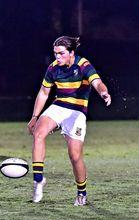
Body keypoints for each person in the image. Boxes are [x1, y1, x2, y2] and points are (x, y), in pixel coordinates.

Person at [27, 36, 111, 205]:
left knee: (74, 156)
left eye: (61, 53)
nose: (57, 57)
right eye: (55, 53)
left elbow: (97, 82)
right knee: (38, 133)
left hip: (77, 111)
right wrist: (35, 116)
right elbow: (44, 93)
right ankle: (38, 180)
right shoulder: (52, 68)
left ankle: (82, 193)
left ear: (72, 53)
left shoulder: (83, 65)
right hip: (59, 105)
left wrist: (104, 93)